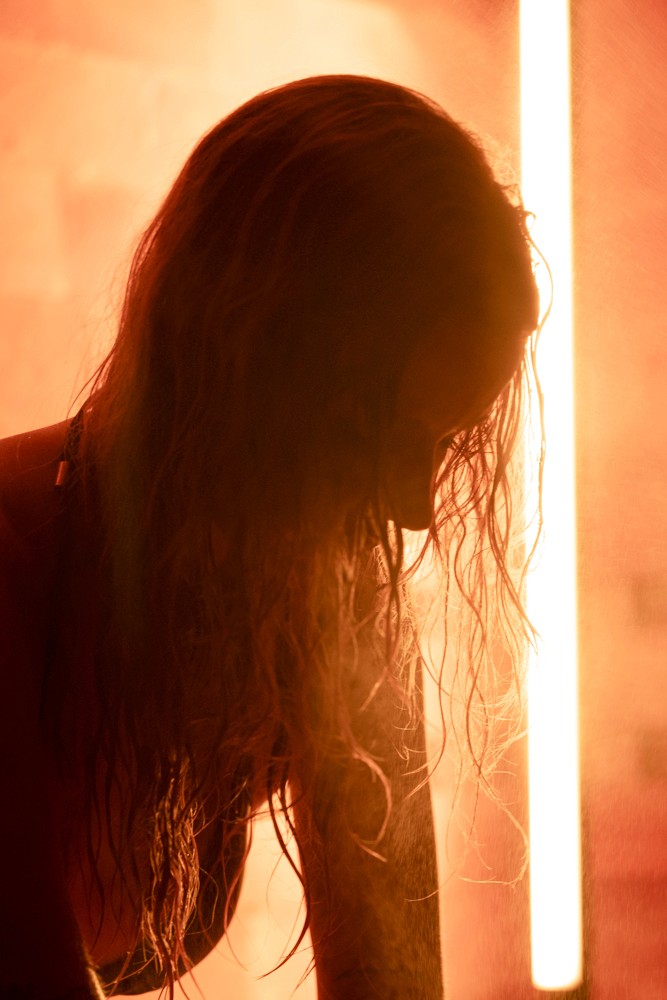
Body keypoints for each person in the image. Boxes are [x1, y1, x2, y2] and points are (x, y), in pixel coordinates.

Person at [0, 75, 540, 1000]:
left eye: (443, 447)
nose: (411, 511)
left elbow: (395, 992)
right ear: (243, 367)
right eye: (378, 435)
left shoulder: (337, 601)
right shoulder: (11, 563)